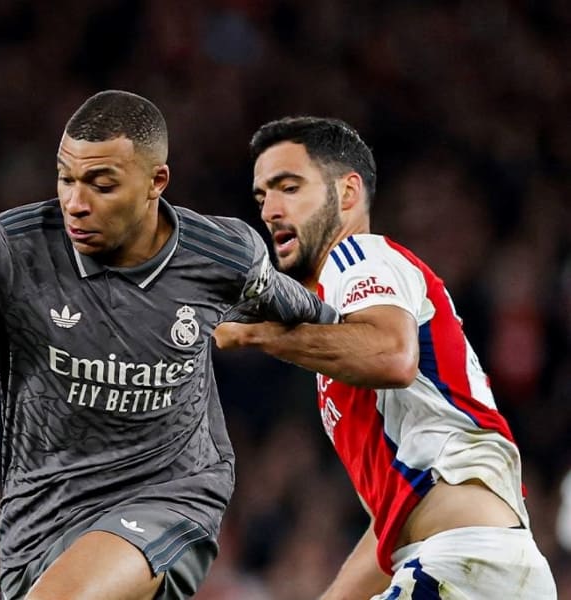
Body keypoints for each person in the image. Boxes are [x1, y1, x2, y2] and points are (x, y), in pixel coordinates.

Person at [0, 91, 337, 600]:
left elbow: (320, 319)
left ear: (156, 182)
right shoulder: (13, 249)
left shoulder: (221, 255)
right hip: (40, 526)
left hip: (168, 498)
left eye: (101, 185)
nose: (76, 203)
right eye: (66, 179)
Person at [215, 117, 557, 598]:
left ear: (347, 193)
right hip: (480, 564)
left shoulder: (360, 257)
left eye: (289, 188)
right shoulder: (345, 335)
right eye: (262, 197)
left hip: (464, 560)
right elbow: (393, 525)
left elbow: (394, 357)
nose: (271, 210)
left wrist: (258, 334)